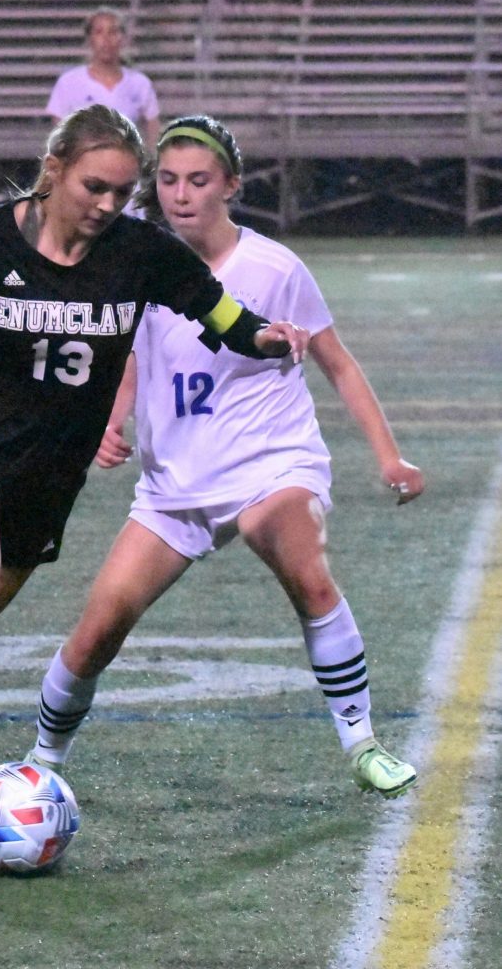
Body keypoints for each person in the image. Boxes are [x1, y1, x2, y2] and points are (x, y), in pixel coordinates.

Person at [0, 104, 308, 828]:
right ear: (54, 170)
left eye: (121, 192)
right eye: (94, 187)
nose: (109, 205)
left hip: (51, 468)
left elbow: (222, 316)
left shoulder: (142, 253)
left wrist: (269, 339)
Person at [26, 115, 423, 799]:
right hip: (175, 483)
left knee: (306, 568)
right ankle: (38, 766)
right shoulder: (139, 263)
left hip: (272, 462)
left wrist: (389, 456)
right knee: (97, 631)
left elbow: (337, 362)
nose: (181, 195)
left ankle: (362, 743)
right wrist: (113, 422)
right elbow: (129, 358)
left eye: (198, 181)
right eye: (169, 180)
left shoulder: (273, 268)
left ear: (230, 186)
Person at [46, 7, 160, 151]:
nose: (106, 40)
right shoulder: (69, 82)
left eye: (113, 32)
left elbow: (153, 126)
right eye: (99, 32)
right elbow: (59, 134)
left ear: (123, 38)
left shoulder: (140, 83)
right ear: (89, 39)